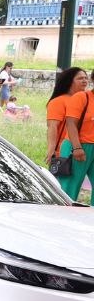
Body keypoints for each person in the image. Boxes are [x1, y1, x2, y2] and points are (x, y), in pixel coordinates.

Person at [56, 67, 94, 201]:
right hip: (77, 146)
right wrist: (77, 147)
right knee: (69, 188)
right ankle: (61, 216)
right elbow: (70, 123)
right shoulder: (82, 97)